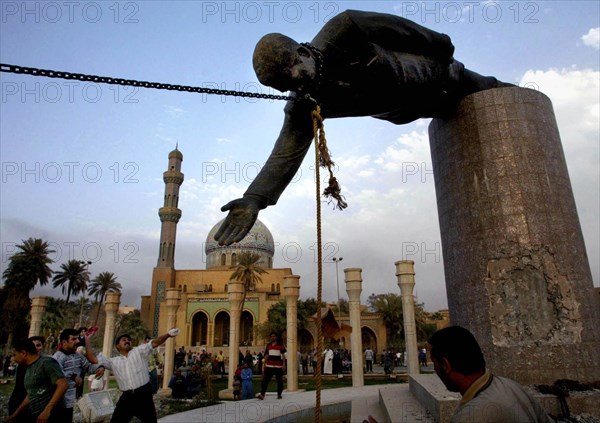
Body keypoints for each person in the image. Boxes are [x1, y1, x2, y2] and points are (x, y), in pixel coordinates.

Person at [214, 9, 513, 246]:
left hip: (435, 75)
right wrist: (254, 199)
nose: (292, 88)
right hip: (412, 108)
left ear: (302, 53)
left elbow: (398, 29)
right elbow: (285, 152)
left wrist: (440, 44)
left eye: (291, 77)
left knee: (492, 94)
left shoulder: (344, 29)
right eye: (283, 87)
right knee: (457, 116)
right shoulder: (303, 104)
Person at [429, 326, 551, 423]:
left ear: (445, 365)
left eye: (435, 364)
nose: (435, 370)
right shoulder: (512, 386)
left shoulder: (471, 417)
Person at [84, 328, 180, 423]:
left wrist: (168, 334)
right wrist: (87, 340)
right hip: (127, 398)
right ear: (117, 346)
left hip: (143, 395)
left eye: (128, 340)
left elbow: (154, 343)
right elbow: (92, 359)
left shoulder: (139, 351)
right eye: (124, 340)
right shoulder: (113, 361)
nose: (127, 341)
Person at [5, 338, 68, 423]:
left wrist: (47, 410)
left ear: (24, 353)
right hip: (37, 415)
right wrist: (14, 415)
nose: (13, 359)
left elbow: (63, 385)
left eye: (15, 355)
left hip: (52, 414)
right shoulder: (29, 367)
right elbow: (31, 394)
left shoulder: (46, 363)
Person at [53, 328, 104, 422]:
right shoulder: (58, 356)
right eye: (73, 339)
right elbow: (56, 373)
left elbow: (88, 367)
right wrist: (73, 376)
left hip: (70, 400)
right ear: (64, 342)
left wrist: (99, 367)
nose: (77, 341)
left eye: (77, 339)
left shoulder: (78, 356)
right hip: (57, 400)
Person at [7, 336, 46, 423]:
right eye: (32, 345)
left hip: (35, 406)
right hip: (19, 402)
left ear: (43, 347)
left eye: (38, 345)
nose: (35, 348)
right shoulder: (22, 364)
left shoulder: (46, 364)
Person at [257, 332, 286, 400]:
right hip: (269, 365)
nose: (273, 337)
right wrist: (264, 363)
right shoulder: (268, 345)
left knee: (279, 381)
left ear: (276, 337)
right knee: (265, 380)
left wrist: (284, 364)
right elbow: (267, 355)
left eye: (274, 336)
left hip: (278, 366)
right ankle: (262, 394)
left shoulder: (280, 345)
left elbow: (283, 355)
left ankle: (279, 394)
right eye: (271, 336)